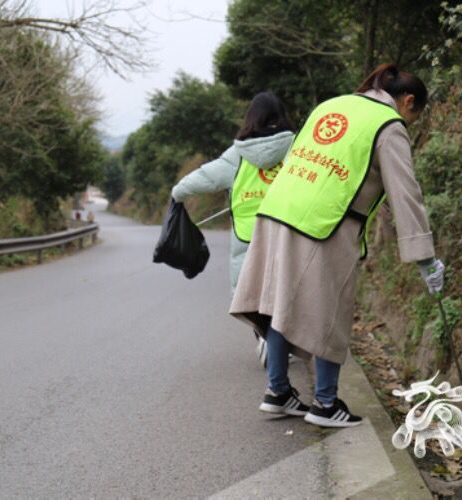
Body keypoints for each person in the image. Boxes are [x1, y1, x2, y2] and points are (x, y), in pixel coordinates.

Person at [229, 64, 445, 427]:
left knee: (281, 302)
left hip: (276, 211)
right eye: (414, 113)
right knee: (330, 311)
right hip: (323, 224)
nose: (411, 120)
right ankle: (326, 404)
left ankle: (278, 391)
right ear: (408, 101)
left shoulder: (332, 105)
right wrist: (426, 260)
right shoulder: (388, 126)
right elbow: (405, 195)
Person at [171, 91, 295, 367]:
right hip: (290, 233)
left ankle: (264, 337)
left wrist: (178, 192)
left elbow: (206, 176)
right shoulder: (297, 148)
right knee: (286, 288)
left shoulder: (237, 154)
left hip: (248, 237)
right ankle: (280, 342)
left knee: (254, 292)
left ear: (251, 118)